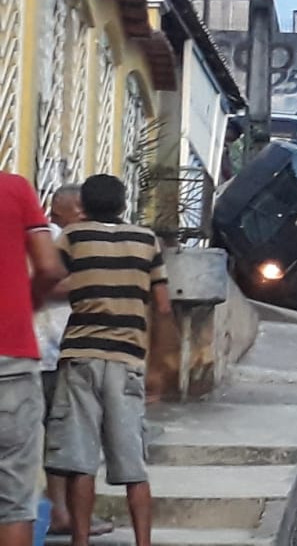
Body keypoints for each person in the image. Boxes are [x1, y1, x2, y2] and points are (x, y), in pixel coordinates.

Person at [45, 175, 171, 546]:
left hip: (80, 357)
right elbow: (162, 307)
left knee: (80, 462)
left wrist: (80, 285)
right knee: (133, 464)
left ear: (83, 205)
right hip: (128, 359)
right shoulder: (148, 241)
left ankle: (80, 542)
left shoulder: (71, 238)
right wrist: (160, 369)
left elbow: (48, 285)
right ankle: (143, 542)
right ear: (123, 203)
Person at [31, 188, 113, 540]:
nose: (83, 213)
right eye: (78, 208)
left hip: (66, 350)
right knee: (58, 437)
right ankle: (60, 514)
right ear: (58, 210)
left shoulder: (76, 240)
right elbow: (44, 285)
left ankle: (62, 513)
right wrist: (91, 280)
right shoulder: (50, 240)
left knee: (63, 437)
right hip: (44, 352)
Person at [0, 172, 66, 546]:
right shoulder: (14, 189)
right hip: (9, 361)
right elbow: (49, 267)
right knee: (13, 503)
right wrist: (30, 301)